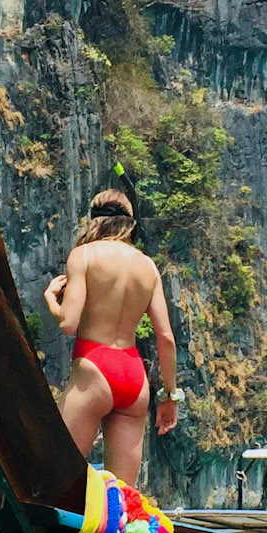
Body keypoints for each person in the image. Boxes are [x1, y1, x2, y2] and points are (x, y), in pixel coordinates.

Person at [43, 186, 179, 486]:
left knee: (56, 478)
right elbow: (165, 337)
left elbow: (68, 323)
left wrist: (51, 299)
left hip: (95, 366)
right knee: (124, 496)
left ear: (93, 221)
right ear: (129, 223)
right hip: (133, 377)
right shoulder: (147, 266)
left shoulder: (84, 255)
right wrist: (170, 396)